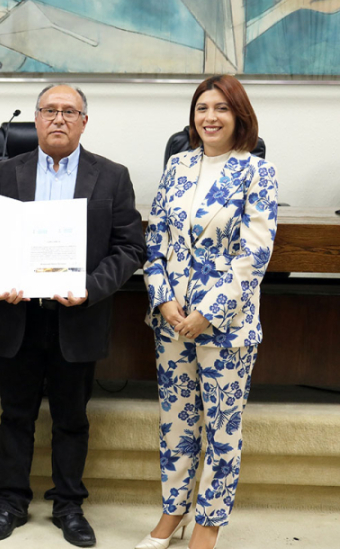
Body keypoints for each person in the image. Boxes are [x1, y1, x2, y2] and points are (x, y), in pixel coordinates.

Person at [0, 84, 145, 547]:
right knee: (15, 415)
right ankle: (10, 501)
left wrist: (89, 288)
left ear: (84, 122)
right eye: (49, 110)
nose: (58, 119)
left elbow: (130, 248)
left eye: (69, 112)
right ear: (35, 120)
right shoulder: (6, 172)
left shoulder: (111, 176)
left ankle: (68, 504)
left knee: (71, 417)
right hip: (18, 315)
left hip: (77, 317)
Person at [138, 75, 278, 549]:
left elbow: (254, 256)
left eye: (221, 108)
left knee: (222, 429)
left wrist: (209, 313)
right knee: (176, 423)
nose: (210, 117)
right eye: (202, 108)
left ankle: (208, 524)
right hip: (171, 321)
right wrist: (163, 299)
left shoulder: (258, 172)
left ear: (239, 115)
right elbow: (154, 242)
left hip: (226, 327)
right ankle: (173, 510)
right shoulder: (177, 165)